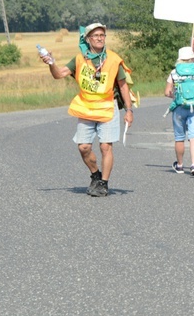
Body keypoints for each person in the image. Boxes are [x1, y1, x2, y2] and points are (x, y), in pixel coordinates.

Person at [42, 23, 133, 197]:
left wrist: (129, 111)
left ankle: (103, 184)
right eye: (96, 35)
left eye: (102, 35)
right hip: (86, 108)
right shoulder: (79, 59)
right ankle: (96, 175)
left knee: (106, 147)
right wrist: (51, 63)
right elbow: (58, 74)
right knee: (83, 147)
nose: (100, 38)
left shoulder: (113, 59)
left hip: (107, 107)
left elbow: (123, 86)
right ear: (88, 39)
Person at [165, 46, 194, 176]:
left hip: (179, 108)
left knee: (179, 138)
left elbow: (167, 92)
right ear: (192, 58)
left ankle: (180, 165)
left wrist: (175, 95)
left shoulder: (174, 72)